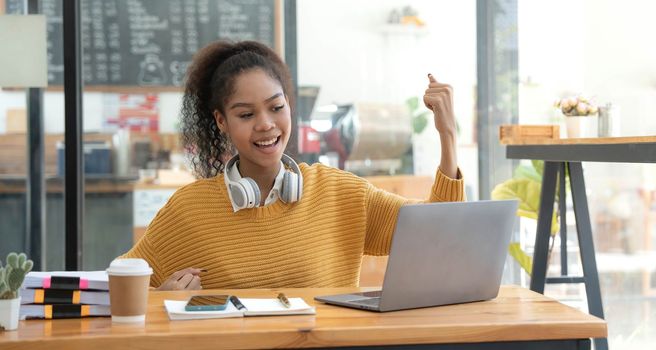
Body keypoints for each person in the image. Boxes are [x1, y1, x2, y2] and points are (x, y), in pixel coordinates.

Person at [122, 40, 465, 290]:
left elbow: (441, 232)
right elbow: (112, 287)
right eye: (246, 114)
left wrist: (447, 135)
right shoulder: (188, 211)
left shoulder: (341, 194)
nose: (266, 124)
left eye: (275, 107)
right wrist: (157, 301)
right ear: (221, 121)